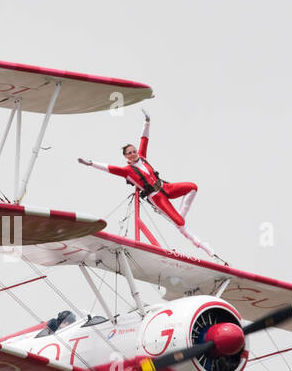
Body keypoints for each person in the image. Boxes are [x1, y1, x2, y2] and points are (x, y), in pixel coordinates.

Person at [78, 113, 227, 264]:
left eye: (133, 151)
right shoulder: (127, 171)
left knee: (192, 187)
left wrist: (147, 121)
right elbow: (109, 168)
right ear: (126, 157)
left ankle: (180, 215)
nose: (133, 154)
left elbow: (144, 140)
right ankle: (206, 248)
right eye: (129, 153)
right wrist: (90, 163)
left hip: (165, 186)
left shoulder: (142, 157)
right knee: (181, 225)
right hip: (156, 197)